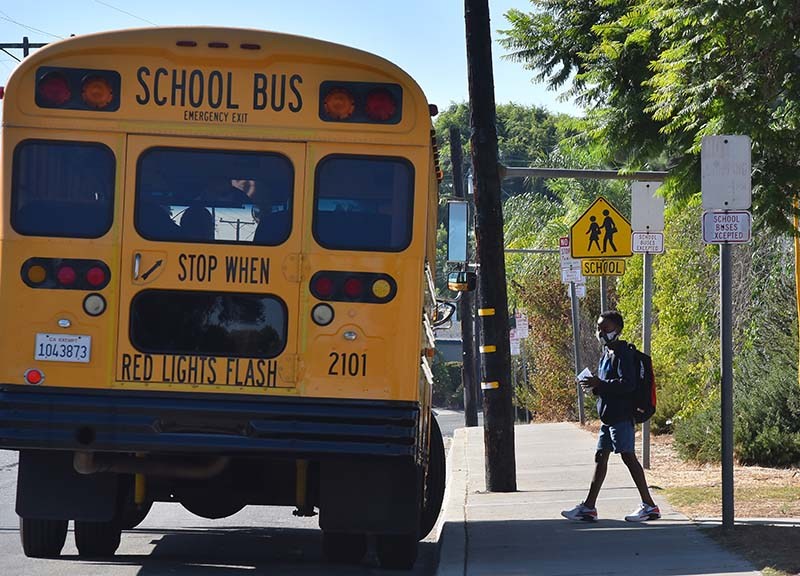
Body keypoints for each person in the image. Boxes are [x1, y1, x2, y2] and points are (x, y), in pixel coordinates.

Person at [561, 310, 660, 522]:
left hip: (622, 416)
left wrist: (601, 384)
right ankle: (588, 507)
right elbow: (606, 385)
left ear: (618, 330)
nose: (600, 332)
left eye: (605, 328)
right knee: (600, 458)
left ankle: (649, 506)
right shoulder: (606, 353)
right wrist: (594, 386)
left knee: (628, 456)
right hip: (608, 417)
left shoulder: (623, 353)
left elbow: (628, 384)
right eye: (599, 328)